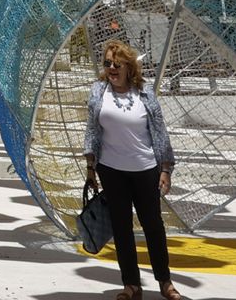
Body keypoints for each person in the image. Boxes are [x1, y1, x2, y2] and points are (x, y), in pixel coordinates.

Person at [84, 39, 178, 300]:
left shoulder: (144, 93)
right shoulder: (98, 91)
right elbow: (92, 130)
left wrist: (166, 169)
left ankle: (165, 282)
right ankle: (131, 285)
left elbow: (160, 133)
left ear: (128, 66)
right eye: (107, 63)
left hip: (145, 168)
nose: (112, 68)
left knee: (153, 227)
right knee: (122, 228)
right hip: (111, 170)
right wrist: (91, 168)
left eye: (117, 63)